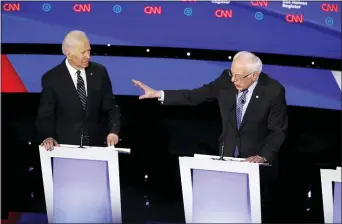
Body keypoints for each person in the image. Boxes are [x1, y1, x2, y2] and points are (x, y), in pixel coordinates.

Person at [132, 51, 288, 164]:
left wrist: (263, 156)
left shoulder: (273, 91)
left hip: (257, 163)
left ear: (255, 75)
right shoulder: (225, 81)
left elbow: (278, 130)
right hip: (226, 159)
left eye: (239, 76)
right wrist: (158, 93)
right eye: (232, 73)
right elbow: (194, 96)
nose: (233, 80)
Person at [36, 30, 120, 150]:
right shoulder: (51, 78)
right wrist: (48, 136)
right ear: (69, 54)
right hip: (66, 147)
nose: (88, 56)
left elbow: (111, 106)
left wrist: (113, 131)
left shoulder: (99, 72)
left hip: (96, 146)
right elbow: (46, 114)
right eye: (83, 52)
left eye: (89, 50)